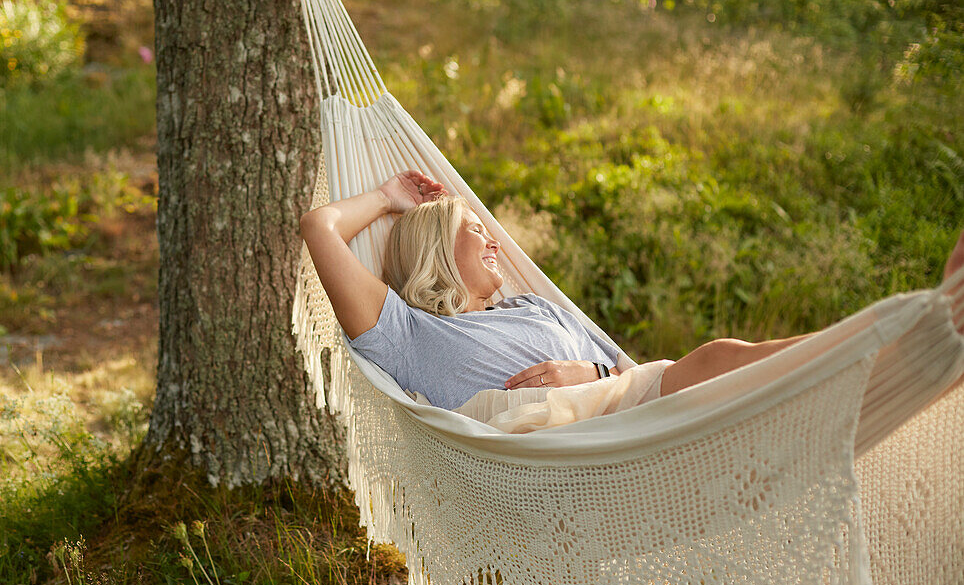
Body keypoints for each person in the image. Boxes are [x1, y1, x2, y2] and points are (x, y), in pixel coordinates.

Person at [300, 169, 964, 421]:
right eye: (477, 231)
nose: (496, 241)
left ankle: (920, 347)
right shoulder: (412, 336)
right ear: (437, 255)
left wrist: (585, 370)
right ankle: (913, 334)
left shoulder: (537, 307)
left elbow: (622, 368)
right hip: (577, 460)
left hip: (627, 413)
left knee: (715, 364)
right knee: (714, 359)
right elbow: (319, 228)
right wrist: (389, 198)